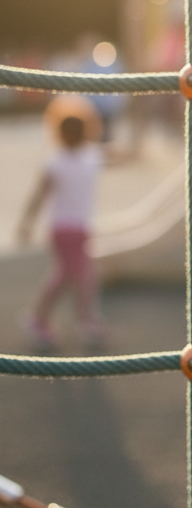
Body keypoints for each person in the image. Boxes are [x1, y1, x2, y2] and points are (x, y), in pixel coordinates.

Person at [17, 99, 105, 351]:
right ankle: (81, 320)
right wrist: (26, 222)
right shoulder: (58, 162)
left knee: (68, 275)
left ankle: (49, 318)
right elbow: (39, 194)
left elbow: (38, 194)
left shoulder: (89, 157)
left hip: (77, 227)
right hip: (64, 228)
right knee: (79, 275)